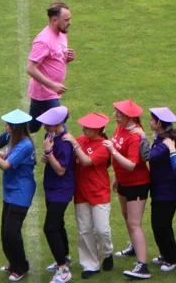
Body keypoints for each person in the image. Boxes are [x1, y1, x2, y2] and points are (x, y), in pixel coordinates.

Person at [0, 109, 36, 282]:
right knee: (5, 233)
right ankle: (13, 263)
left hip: (21, 193)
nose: (4, 126)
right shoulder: (15, 140)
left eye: (7, 124)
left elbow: (5, 165)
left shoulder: (25, 144)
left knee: (12, 232)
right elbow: (6, 155)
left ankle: (21, 267)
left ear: (14, 127)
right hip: (11, 192)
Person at [105, 99, 151, 279]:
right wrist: (117, 176)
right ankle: (134, 246)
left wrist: (112, 151)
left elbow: (132, 164)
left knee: (134, 223)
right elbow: (119, 152)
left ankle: (143, 266)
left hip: (137, 183)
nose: (114, 116)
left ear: (127, 116)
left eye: (118, 114)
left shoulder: (135, 135)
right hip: (123, 181)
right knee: (127, 217)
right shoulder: (121, 128)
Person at [70, 112, 114, 280]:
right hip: (81, 191)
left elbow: (87, 161)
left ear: (97, 130)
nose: (83, 129)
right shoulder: (81, 139)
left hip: (99, 191)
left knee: (102, 230)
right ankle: (90, 265)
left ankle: (107, 252)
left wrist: (75, 145)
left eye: (87, 128)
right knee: (85, 229)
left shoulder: (104, 145)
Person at [37, 106, 75, 283]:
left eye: (48, 123)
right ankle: (65, 257)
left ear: (58, 123)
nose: (44, 125)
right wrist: (48, 157)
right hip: (51, 188)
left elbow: (61, 170)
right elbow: (52, 162)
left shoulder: (66, 142)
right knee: (58, 224)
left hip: (62, 190)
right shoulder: (49, 136)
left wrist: (48, 153)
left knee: (50, 227)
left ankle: (63, 269)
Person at [26, 1, 75, 131]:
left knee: (31, 127)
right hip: (46, 93)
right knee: (61, 131)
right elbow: (30, 68)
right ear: (54, 20)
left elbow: (54, 58)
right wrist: (52, 85)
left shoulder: (62, 34)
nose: (69, 22)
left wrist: (66, 59)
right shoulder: (43, 41)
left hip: (48, 92)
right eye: (66, 20)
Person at [147, 107, 176, 271]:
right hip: (160, 189)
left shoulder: (166, 141)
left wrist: (140, 139)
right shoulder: (161, 138)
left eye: (151, 120)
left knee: (162, 225)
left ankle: (173, 258)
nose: (149, 122)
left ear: (159, 122)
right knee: (158, 224)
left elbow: (150, 156)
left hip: (167, 191)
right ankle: (165, 254)